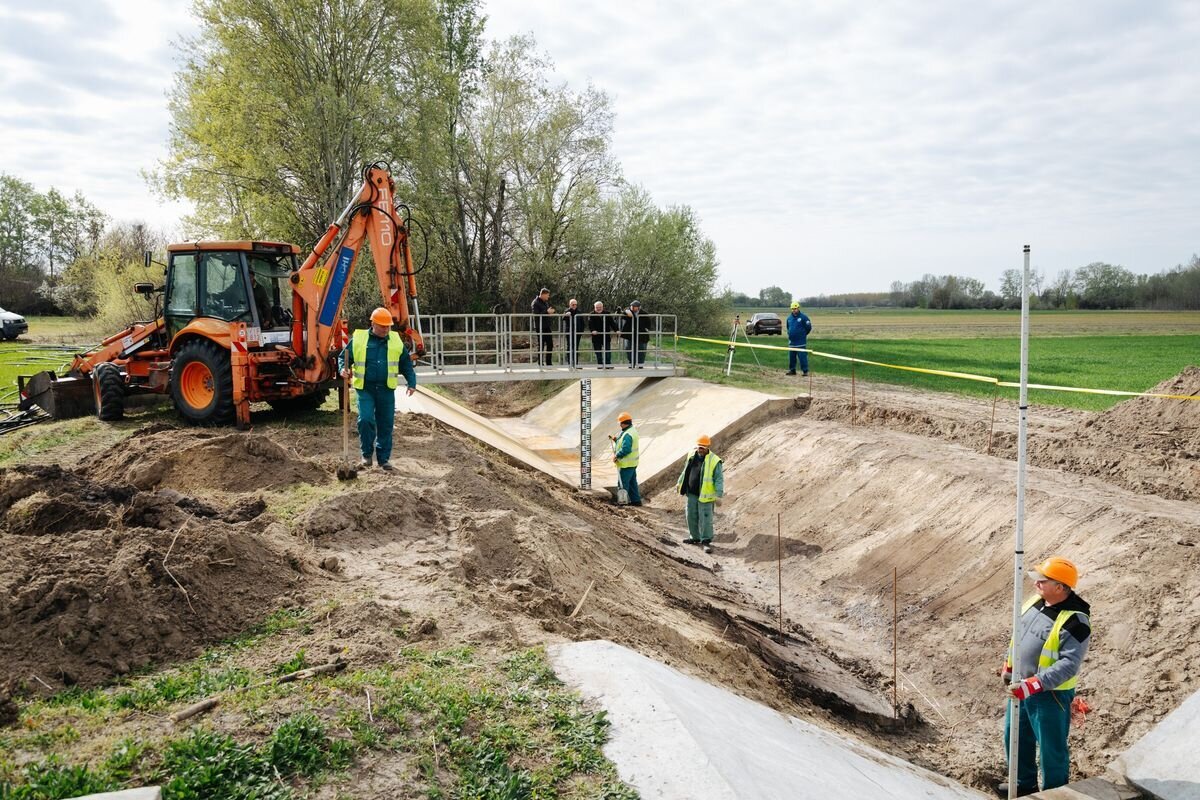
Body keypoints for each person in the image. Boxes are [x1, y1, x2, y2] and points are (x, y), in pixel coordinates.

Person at [1000, 556, 1092, 797]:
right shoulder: (1035, 602)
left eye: (1043, 581)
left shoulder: (1076, 621)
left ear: (1060, 587)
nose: (1036, 583)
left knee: (1051, 750)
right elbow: (1019, 637)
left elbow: (1068, 665)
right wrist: (1010, 665)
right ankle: (1023, 785)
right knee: (1015, 737)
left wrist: (1033, 685)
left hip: (1050, 696)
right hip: (1020, 687)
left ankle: (1054, 794)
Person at [339, 307, 417, 472]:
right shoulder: (359, 339)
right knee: (366, 420)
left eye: (388, 326)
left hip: (386, 389)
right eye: (382, 326)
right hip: (365, 388)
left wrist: (412, 382)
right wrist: (342, 369)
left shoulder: (395, 340)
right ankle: (366, 455)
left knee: (386, 424)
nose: (386, 329)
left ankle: (383, 459)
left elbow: (405, 363)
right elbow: (343, 357)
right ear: (373, 324)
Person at [676, 435, 724, 553]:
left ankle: (705, 541)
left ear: (708, 447)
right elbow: (686, 470)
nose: (700, 449)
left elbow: (719, 479)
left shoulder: (714, 460)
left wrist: (718, 495)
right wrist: (679, 482)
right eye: (699, 446)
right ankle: (694, 537)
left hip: (706, 496)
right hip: (691, 493)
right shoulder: (692, 455)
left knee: (705, 519)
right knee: (690, 516)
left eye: (702, 447)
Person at [609, 411, 641, 506]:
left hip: (626, 464)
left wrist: (617, 456)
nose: (619, 425)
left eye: (620, 423)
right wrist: (615, 440)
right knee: (632, 483)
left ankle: (622, 502)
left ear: (623, 423)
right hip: (633, 463)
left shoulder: (627, 434)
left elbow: (626, 449)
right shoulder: (631, 430)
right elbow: (624, 443)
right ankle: (636, 501)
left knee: (622, 484)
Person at [621, 300, 652, 367]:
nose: (632, 307)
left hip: (641, 335)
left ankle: (640, 363)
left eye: (634, 306)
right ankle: (631, 363)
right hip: (630, 334)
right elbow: (621, 316)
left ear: (638, 307)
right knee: (628, 348)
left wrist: (646, 329)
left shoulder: (644, 314)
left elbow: (648, 323)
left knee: (641, 349)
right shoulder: (628, 312)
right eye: (631, 306)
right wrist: (626, 312)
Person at [785, 301, 812, 376]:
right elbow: (788, 328)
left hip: (800, 342)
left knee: (802, 357)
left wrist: (803, 335)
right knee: (792, 357)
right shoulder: (789, 318)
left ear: (798, 308)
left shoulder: (804, 317)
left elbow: (808, 327)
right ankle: (792, 370)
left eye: (795, 308)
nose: (794, 310)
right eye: (793, 309)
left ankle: (805, 371)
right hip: (792, 342)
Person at [531, 288, 556, 365]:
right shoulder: (535, 303)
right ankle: (540, 362)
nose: (548, 297)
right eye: (547, 295)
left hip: (547, 326)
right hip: (540, 327)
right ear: (543, 294)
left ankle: (549, 362)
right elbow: (536, 315)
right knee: (541, 344)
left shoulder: (545, 302)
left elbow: (545, 313)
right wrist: (547, 312)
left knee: (550, 344)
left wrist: (549, 313)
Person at [588, 301, 616, 368]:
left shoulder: (607, 314)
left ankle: (608, 364)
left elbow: (612, 323)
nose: (598, 309)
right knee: (598, 352)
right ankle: (600, 364)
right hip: (596, 336)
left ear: (602, 307)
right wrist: (593, 330)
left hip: (606, 335)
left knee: (607, 351)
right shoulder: (591, 314)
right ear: (594, 307)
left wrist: (616, 330)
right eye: (597, 307)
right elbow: (590, 324)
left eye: (600, 307)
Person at [562, 298, 582, 367]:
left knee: (576, 347)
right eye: (573, 304)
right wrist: (566, 315)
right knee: (570, 347)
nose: (574, 306)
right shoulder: (567, 311)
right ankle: (570, 363)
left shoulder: (579, 312)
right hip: (570, 332)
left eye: (575, 304)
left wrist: (581, 331)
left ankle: (576, 363)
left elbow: (582, 322)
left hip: (578, 332)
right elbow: (563, 318)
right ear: (570, 305)